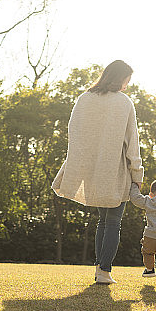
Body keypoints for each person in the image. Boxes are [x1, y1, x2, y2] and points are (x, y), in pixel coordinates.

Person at [52, 60, 144, 284]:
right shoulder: (124, 102)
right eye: (127, 81)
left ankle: (100, 269)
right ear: (120, 78)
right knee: (113, 221)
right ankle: (105, 270)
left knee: (103, 222)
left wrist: (78, 163)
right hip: (115, 169)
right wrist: (137, 173)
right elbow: (132, 141)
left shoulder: (84, 99)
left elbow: (74, 134)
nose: (126, 86)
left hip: (92, 168)